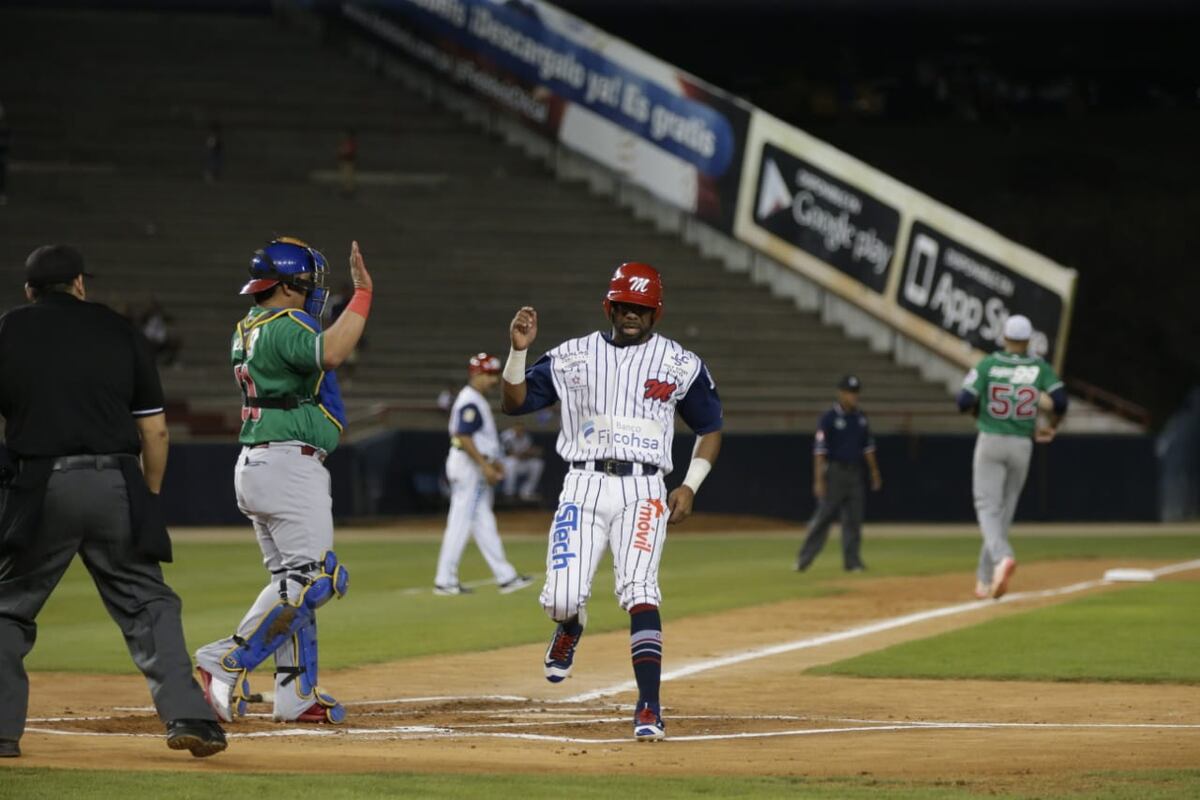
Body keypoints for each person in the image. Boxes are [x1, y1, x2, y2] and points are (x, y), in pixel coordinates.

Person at [0, 245, 225, 759]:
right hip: (116, 483)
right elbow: (155, 430)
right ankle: (192, 718)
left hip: (38, 486)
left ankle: (2, 732)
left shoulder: (9, 329)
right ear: (80, 283)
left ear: (30, 290)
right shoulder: (121, 330)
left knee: (8, 608)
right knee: (149, 603)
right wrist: (146, 495)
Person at [501, 262, 723, 742]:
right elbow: (514, 401)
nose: (631, 315)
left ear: (655, 312)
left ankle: (648, 706)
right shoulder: (572, 356)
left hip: (644, 489)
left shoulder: (680, 363)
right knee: (560, 596)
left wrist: (690, 484)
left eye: (641, 309)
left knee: (641, 588)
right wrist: (519, 352)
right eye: (624, 305)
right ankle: (570, 624)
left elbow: (710, 428)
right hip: (582, 484)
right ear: (609, 305)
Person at [194, 237, 373, 725]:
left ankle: (295, 696)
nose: (314, 292)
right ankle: (224, 659)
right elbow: (331, 352)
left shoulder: (246, 327)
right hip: (288, 466)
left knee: (291, 583)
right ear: (290, 286)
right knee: (315, 580)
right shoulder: (287, 322)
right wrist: (362, 295)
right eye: (309, 283)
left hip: (260, 463)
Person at [957, 314, 1068, 600]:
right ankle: (985, 579)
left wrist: (975, 413)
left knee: (987, 506)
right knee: (1004, 510)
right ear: (1028, 340)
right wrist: (1052, 427)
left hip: (991, 439)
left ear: (1004, 338)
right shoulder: (1038, 367)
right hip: (1022, 443)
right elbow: (1061, 401)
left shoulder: (990, 364)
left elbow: (964, 400)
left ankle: (1002, 557)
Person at [434, 353, 533, 596]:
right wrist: (486, 465)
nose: (493, 379)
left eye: (494, 374)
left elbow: (480, 439)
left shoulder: (474, 399)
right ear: (476, 374)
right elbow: (464, 436)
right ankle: (445, 580)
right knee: (460, 522)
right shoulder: (470, 401)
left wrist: (494, 461)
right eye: (489, 374)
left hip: (472, 465)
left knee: (483, 522)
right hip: (468, 466)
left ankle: (506, 576)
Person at [794, 375, 883, 573]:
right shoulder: (829, 418)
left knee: (854, 519)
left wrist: (874, 472)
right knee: (823, 517)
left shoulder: (860, 418)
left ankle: (852, 562)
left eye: (856, 393)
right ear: (841, 393)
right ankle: (803, 560)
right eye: (850, 393)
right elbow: (819, 451)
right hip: (835, 472)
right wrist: (818, 480)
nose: (854, 397)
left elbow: (868, 447)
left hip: (855, 473)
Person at [499, 422, 545, 503]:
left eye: (522, 430)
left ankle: (526, 491)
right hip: (503, 464)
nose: (520, 432)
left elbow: (526, 454)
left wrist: (533, 452)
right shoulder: (506, 436)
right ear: (513, 429)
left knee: (537, 464)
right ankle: (509, 493)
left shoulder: (526, 437)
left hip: (520, 463)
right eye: (518, 429)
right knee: (512, 462)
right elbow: (510, 453)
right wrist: (527, 453)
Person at [336, 129, 357, 196]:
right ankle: (346, 190)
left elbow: (349, 152)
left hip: (348, 162)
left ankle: (349, 191)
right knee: (345, 176)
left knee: (348, 177)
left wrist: (343, 152)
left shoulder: (350, 143)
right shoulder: (345, 143)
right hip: (345, 161)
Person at [0, 103, 11, 205]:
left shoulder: (4, 127)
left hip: (1, 155)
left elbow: (6, 143)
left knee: (2, 171)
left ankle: (2, 193)